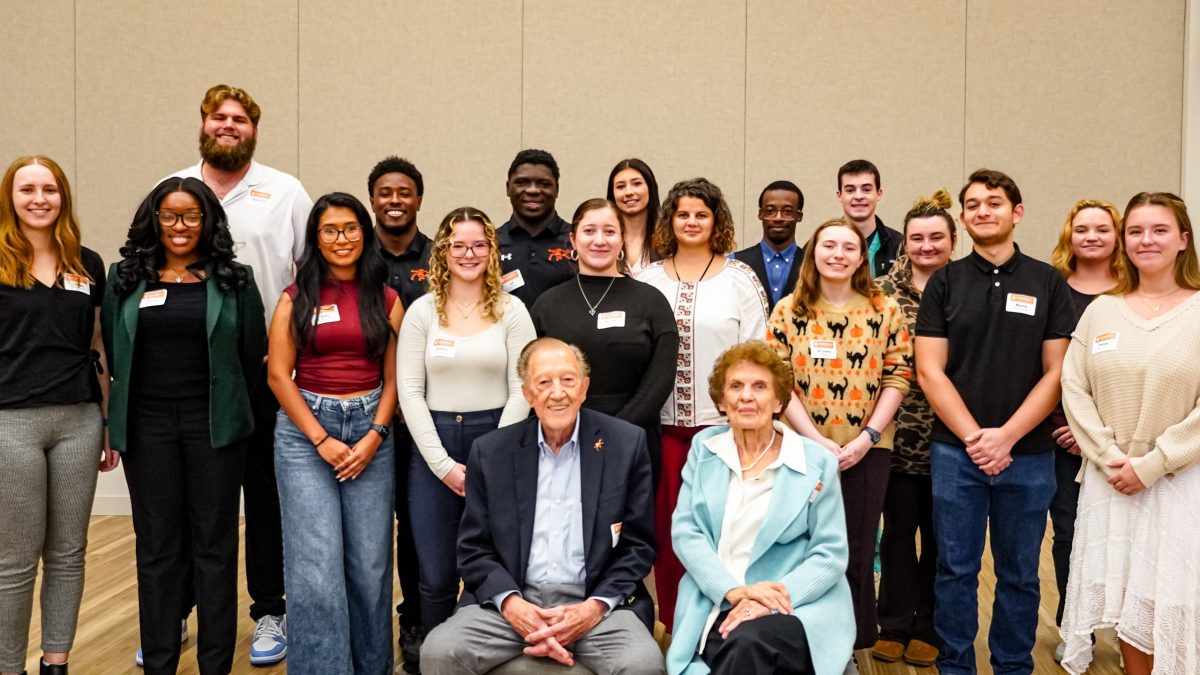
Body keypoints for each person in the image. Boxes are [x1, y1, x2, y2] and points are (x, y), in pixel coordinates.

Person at [167, 84, 313, 665]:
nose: (228, 126)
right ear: (203, 124)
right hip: (190, 374)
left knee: (266, 493)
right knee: (188, 498)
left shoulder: (285, 192)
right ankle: (176, 608)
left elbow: (312, 273)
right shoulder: (174, 189)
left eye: (240, 120)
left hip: (264, 371)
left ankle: (269, 609)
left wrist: (292, 354)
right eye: (218, 117)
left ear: (254, 129)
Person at [101, 177, 266, 675]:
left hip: (212, 427)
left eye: (191, 216)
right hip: (147, 427)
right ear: (154, 220)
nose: (179, 227)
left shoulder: (235, 279)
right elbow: (114, 350)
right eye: (169, 216)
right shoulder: (125, 278)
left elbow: (250, 357)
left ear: (207, 220)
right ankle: (160, 662)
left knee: (215, 546)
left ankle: (216, 664)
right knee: (157, 548)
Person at [420, 338, 663, 675]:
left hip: (594, 606)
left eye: (568, 380)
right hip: (513, 604)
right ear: (527, 394)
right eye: (544, 383)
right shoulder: (492, 453)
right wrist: (512, 605)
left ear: (584, 388)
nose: (558, 393)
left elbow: (638, 547)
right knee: (438, 652)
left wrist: (592, 609)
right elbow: (474, 548)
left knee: (643, 665)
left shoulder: (625, 444)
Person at [915, 169, 1074, 674]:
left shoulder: (1047, 281)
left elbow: (1057, 372)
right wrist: (974, 437)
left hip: (1028, 456)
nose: (983, 211)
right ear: (963, 217)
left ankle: (1011, 666)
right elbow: (928, 370)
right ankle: (956, 667)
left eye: (995, 202)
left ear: (1017, 212)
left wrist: (1006, 436)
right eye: (973, 204)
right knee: (955, 570)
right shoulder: (944, 282)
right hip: (954, 453)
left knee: (1021, 574)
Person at [1059, 192, 1200, 675]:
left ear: (1183, 240)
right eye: (1136, 231)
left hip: (1179, 482)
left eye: (1160, 230)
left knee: (1174, 605)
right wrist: (1108, 456)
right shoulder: (1101, 310)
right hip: (1112, 479)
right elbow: (1074, 386)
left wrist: (1154, 463)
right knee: (1126, 608)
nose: (1146, 240)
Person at [267, 192, 404, 674]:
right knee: (316, 570)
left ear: (363, 234)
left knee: (369, 568)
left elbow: (396, 377)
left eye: (350, 228)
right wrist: (322, 440)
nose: (341, 238)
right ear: (316, 238)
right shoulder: (295, 297)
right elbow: (279, 376)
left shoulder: (386, 298)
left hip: (371, 431)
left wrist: (375, 436)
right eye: (329, 230)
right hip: (306, 436)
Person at [765, 218, 912, 656]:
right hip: (799, 449)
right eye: (828, 245)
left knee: (857, 548)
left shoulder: (884, 309)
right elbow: (777, 379)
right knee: (801, 547)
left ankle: (849, 643)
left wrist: (867, 436)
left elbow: (899, 373)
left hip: (866, 450)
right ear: (813, 252)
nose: (838, 254)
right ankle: (799, 637)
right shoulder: (788, 310)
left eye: (849, 247)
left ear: (860, 257)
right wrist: (811, 438)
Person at [668, 341, 854, 675]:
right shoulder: (704, 449)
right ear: (723, 401)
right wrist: (734, 591)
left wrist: (768, 601)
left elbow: (830, 554)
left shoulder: (816, 462)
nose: (746, 396)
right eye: (736, 386)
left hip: (796, 605)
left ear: (780, 400)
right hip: (717, 597)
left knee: (746, 644)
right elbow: (686, 532)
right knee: (735, 644)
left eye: (760, 386)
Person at [0, 156, 116, 675]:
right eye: (27, 189)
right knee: (15, 561)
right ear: (10, 197)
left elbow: (98, 345)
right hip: (11, 423)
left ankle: (56, 662)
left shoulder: (87, 262)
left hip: (78, 420)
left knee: (69, 551)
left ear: (63, 196)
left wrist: (108, 422)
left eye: (49, 189)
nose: (38, 198)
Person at [636, 177, 769, 630]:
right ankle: (676, 626)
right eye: (683, 214)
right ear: (669, 221)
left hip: (723, 434)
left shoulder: (739, 279)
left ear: (717, 222)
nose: (691, 221)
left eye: (701, 214)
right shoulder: (647, 279)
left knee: (724, 536)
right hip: (662, 433)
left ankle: (723, 629)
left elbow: (758, 356)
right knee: (670, 538)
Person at [398, 207, 536, 634]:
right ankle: (434, 653)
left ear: (492, 251)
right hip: (433, 446)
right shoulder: (423, 311)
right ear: (443, 251)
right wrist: (442, 465)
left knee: (493, 570)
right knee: (435, 575)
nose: (469, 253)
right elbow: (410, 392)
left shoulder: (512, 311)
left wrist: (487, 460)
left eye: (479, 244)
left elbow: (523, 388)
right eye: (458, 244)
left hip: (499, 441)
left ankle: (482, 654)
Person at [530, 198, 678, 488]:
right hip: (561, 439)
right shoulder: (547, 304)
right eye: (589, 231)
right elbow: (533, 376)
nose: (599, 240)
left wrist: (613, 434)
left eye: (610, 232)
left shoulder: (651, 302)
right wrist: (573, 431)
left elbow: (660, 380)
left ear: (622, 239)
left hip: (634, 439)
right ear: (573, 239)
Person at [872, 190, 957, 668]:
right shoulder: (881, 290)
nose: (927, 246)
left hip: (955, 438)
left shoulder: (969, 286)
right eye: (917, 238)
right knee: (899, 535)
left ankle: (929, 625)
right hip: (897, 436)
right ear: (904, 242)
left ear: (953, 240)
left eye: (937, 238)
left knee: (944, 541)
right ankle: (894, 623)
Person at [1045, 198, 1124, 663]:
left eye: (1102, 229)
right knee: (1070, 535)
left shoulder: (1134, 291)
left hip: (1125, 440)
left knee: (1127, 535)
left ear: (1116, 237)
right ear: (1068, 236)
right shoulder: (1053, 289)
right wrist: (1074, 428)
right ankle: (1075, 629)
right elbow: (1049, 370)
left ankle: (1129, 625)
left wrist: (1102, 435)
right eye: (1082, 229)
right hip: (1062, 441)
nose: (1091, 237)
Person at [367, 155, 429, 674]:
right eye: (385, 192)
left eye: (404, 192)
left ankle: (414, 620)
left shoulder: (439, 258)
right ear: (373, 199)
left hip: (419, 420)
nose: (394, 201)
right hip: (359, 416)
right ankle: (362, 623)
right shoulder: (349, 255)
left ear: (418, 200)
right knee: (366, 525)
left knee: (414, 526)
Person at [496, 149, 573, 307]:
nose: (533, 190)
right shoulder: (490, 243)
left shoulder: (577, 241)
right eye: (522, 183)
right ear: (508, 188)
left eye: (544, 184)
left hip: (562, 332)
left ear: (556, 189)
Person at [733, 180, 804, 309]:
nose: (778, 218)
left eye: (787, 212)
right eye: (770, 211)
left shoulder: (813, 265)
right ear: (760, 214)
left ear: (799, 216)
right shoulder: (735, 263)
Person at [836, 160, 900, 277]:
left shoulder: (900, 246)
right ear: (839, 195)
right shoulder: (819, 245)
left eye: (866, 189)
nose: (859, 196)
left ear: (878, 194)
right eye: (850, 190)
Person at [606, 158, 661, 275]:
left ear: (650, 188)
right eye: (620, 186)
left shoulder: (668, 238)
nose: (629, 192)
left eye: (637, 184)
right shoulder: (604, 240)